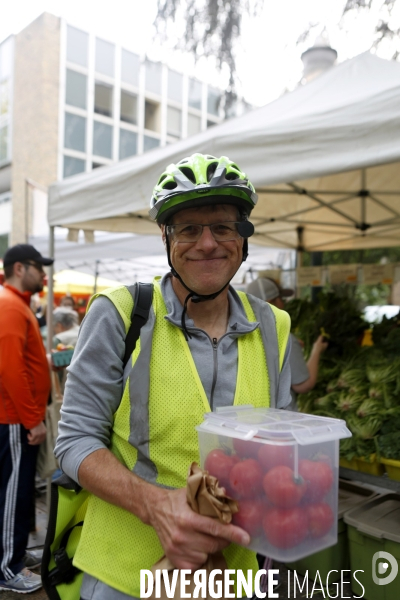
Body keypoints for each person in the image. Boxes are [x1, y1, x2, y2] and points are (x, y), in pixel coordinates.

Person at [55, 153, 292, 600]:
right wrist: (157, 505)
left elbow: (280, 441)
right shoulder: (122, 313)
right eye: (188, 229)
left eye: (222, 226)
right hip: (125, 573)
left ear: (244, 237)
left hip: (231, 574)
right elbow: (74, 442)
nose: (207, 243)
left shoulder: (274, 326)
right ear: (167, 238)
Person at [0, 243, 54, 594]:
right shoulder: (9, 306)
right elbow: (11, 369)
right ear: (20, 268)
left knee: (17, 493)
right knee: (13, 495)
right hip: (15, 420)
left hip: (17, 418)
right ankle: (7, 567)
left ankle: (14, 555)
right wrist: (33, 419)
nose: (44, 274)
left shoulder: (15, 305)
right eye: (39, 267)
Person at [246, 277, 328, 409]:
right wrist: (316, 350)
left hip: (246, 420)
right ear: (270, 303)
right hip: (278, 423)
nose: (284, 305)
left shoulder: (237, 334)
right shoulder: (282, 337)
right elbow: (303, 385)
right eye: (281, 300)